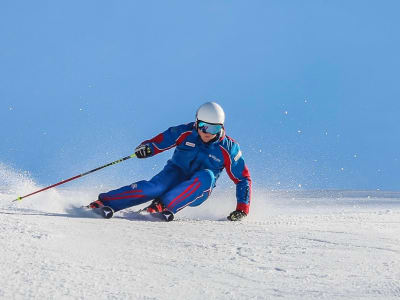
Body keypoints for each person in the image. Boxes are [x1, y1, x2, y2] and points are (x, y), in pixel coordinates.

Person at [89, 102, 252, 221]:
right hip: (175, 172)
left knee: (207, 176)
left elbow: (243, 178)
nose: (207, 132)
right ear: (196, 122)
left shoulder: (229, 149)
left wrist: (242, 209)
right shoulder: (185, 132)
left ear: (221, 128)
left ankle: (163, 205)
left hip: (197, 188)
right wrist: (147, 148)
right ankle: (104, 202)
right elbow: (161, 141)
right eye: (203, 126)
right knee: (155, 187)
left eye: (214, 128)